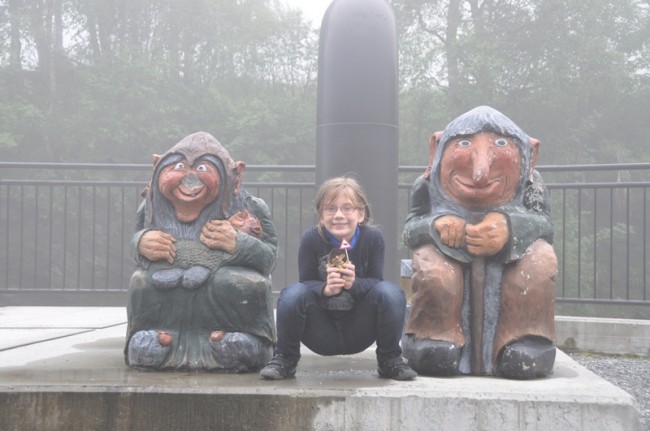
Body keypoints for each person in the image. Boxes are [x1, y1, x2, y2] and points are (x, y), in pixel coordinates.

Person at [260, 176, 416, 381]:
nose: (339, 215)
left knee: (391, 292)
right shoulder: (311, 239)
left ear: (361, 214)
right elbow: (306, 283)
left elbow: (376, 282)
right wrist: (325, 289)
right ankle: (285, 359)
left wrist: (353, 284)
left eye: (347, 208)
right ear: (321, 215)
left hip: (359, 328)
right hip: (320, 331)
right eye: (330, 209)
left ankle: (390, 359)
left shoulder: (373, 238)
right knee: (292, 293)